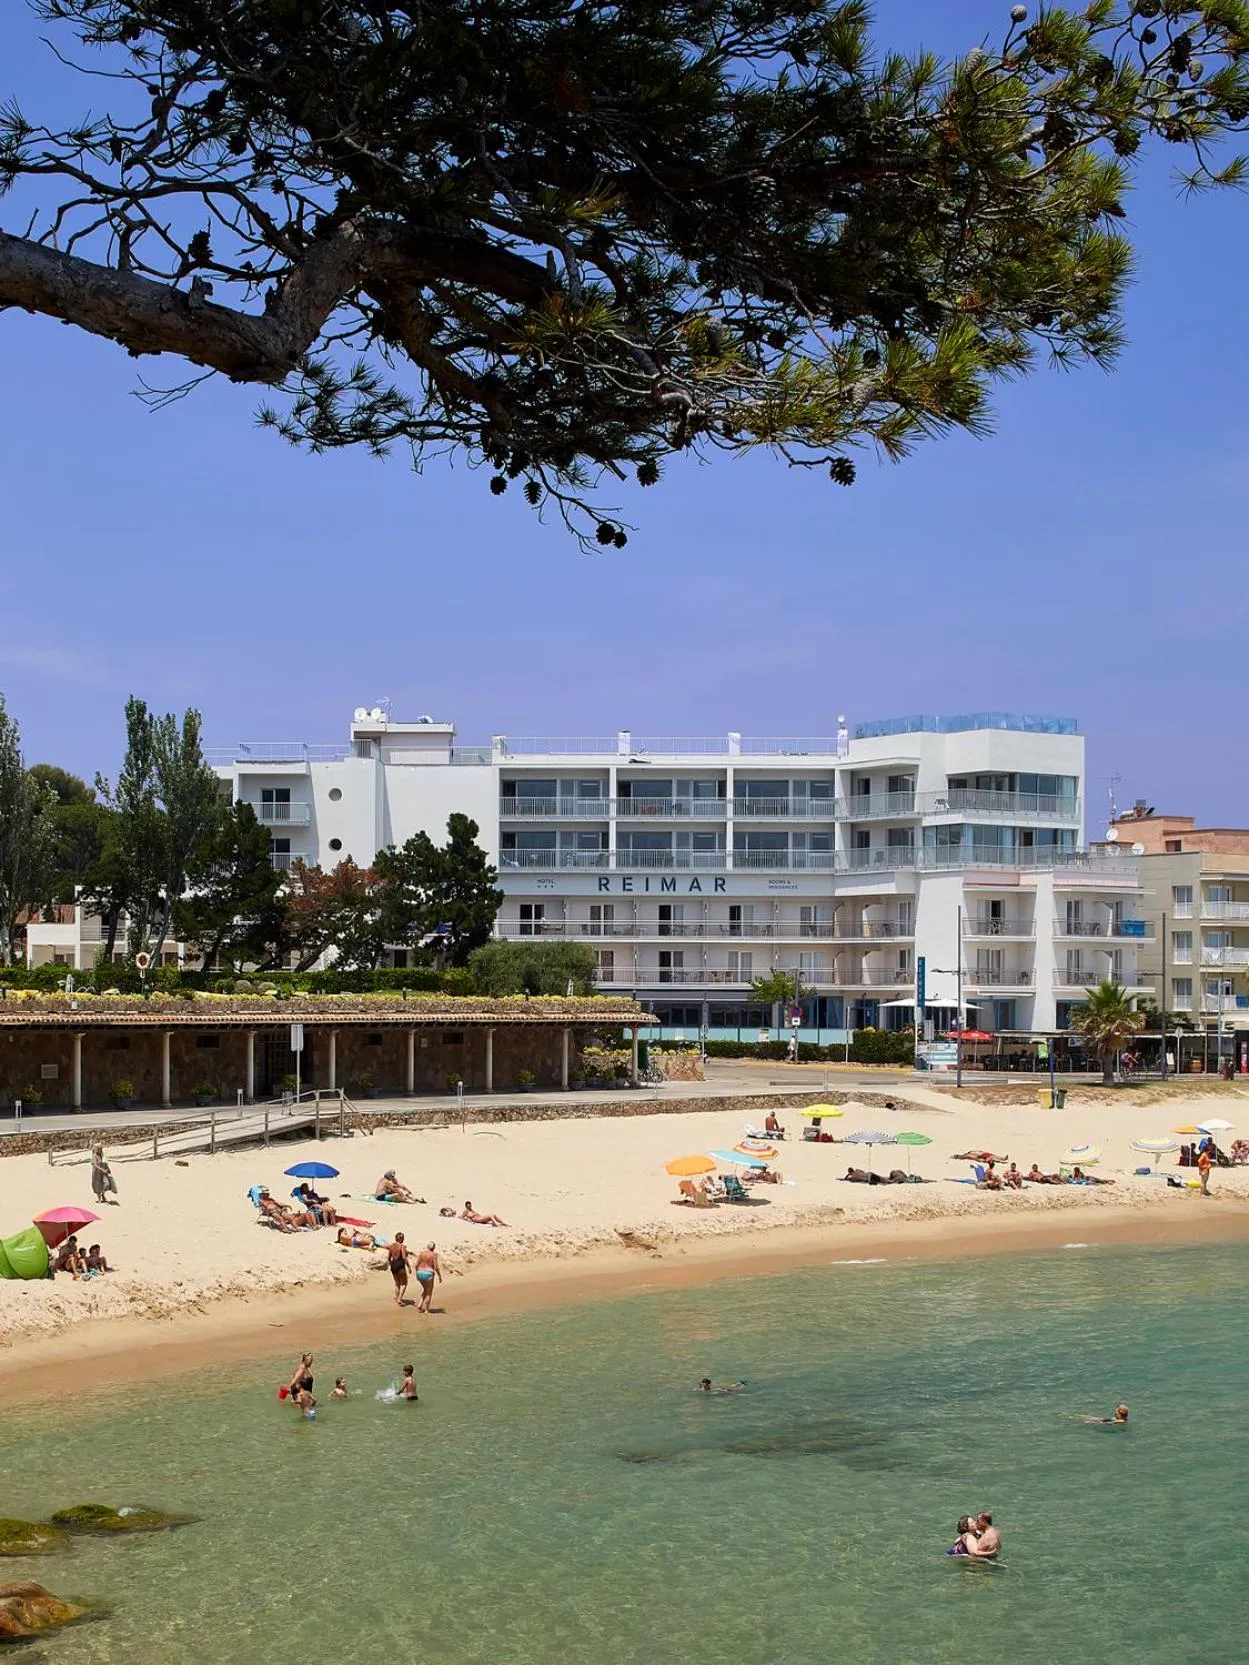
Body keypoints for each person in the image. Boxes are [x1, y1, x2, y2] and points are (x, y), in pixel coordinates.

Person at [415, 1242, 441, 1313]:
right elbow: (436, 1267)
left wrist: (416, 1272)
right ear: (434, 1248)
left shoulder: (422, 1253)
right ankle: (426, 1309)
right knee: (429, 1292)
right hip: (428, 1273)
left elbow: (416, 1264)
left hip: (420, 1272)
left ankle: (420, 1305)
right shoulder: (433, 1255)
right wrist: (439, 1276)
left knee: (425, 1289)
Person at [388, 1232, 413, 1305]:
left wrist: (391, 1264)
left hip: (393, 1264)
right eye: (403, 1238)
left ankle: (397, 1297)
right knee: (404, 1283)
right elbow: (404, 1257)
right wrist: (409, 1267)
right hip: (400, 1265)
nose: (404, 1239)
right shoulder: (401, 1246)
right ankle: (399, 1299)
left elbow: (389, 1257)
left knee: (397, 1283)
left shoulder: (391, 1246)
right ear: (400, 1238)